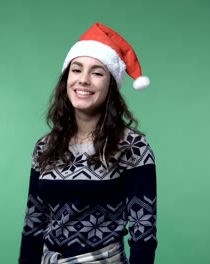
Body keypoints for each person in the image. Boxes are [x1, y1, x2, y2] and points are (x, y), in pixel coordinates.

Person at [18, 22, 157, 264]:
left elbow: (142, 232)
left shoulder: (132, 146)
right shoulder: (45, 146)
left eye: (97, 72)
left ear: (111, 84)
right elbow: (34, 224)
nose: (83, 80)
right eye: (76, 70)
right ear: (66, 78)